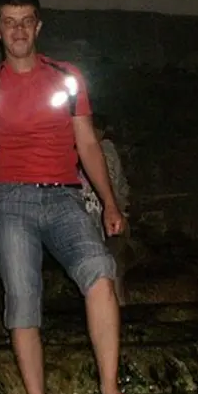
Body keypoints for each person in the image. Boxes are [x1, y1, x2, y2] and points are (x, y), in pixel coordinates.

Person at [0, 0, 146, 394]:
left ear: (39, 26)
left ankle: (109, 389)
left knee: (100, 272)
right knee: (23, 301)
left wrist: (110, 203)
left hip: (65, 195)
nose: (19, 30)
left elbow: (88, 143)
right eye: (9, 22)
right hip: (11, 201)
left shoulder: (67, 77)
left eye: (27, 20)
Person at [80, 114, 130, 305]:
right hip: (86, 222)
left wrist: (117, 210)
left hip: (108, 222)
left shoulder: (106, 150)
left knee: (112, 268)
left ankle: (119, 311)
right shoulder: (74, 151)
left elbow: (117, 186)